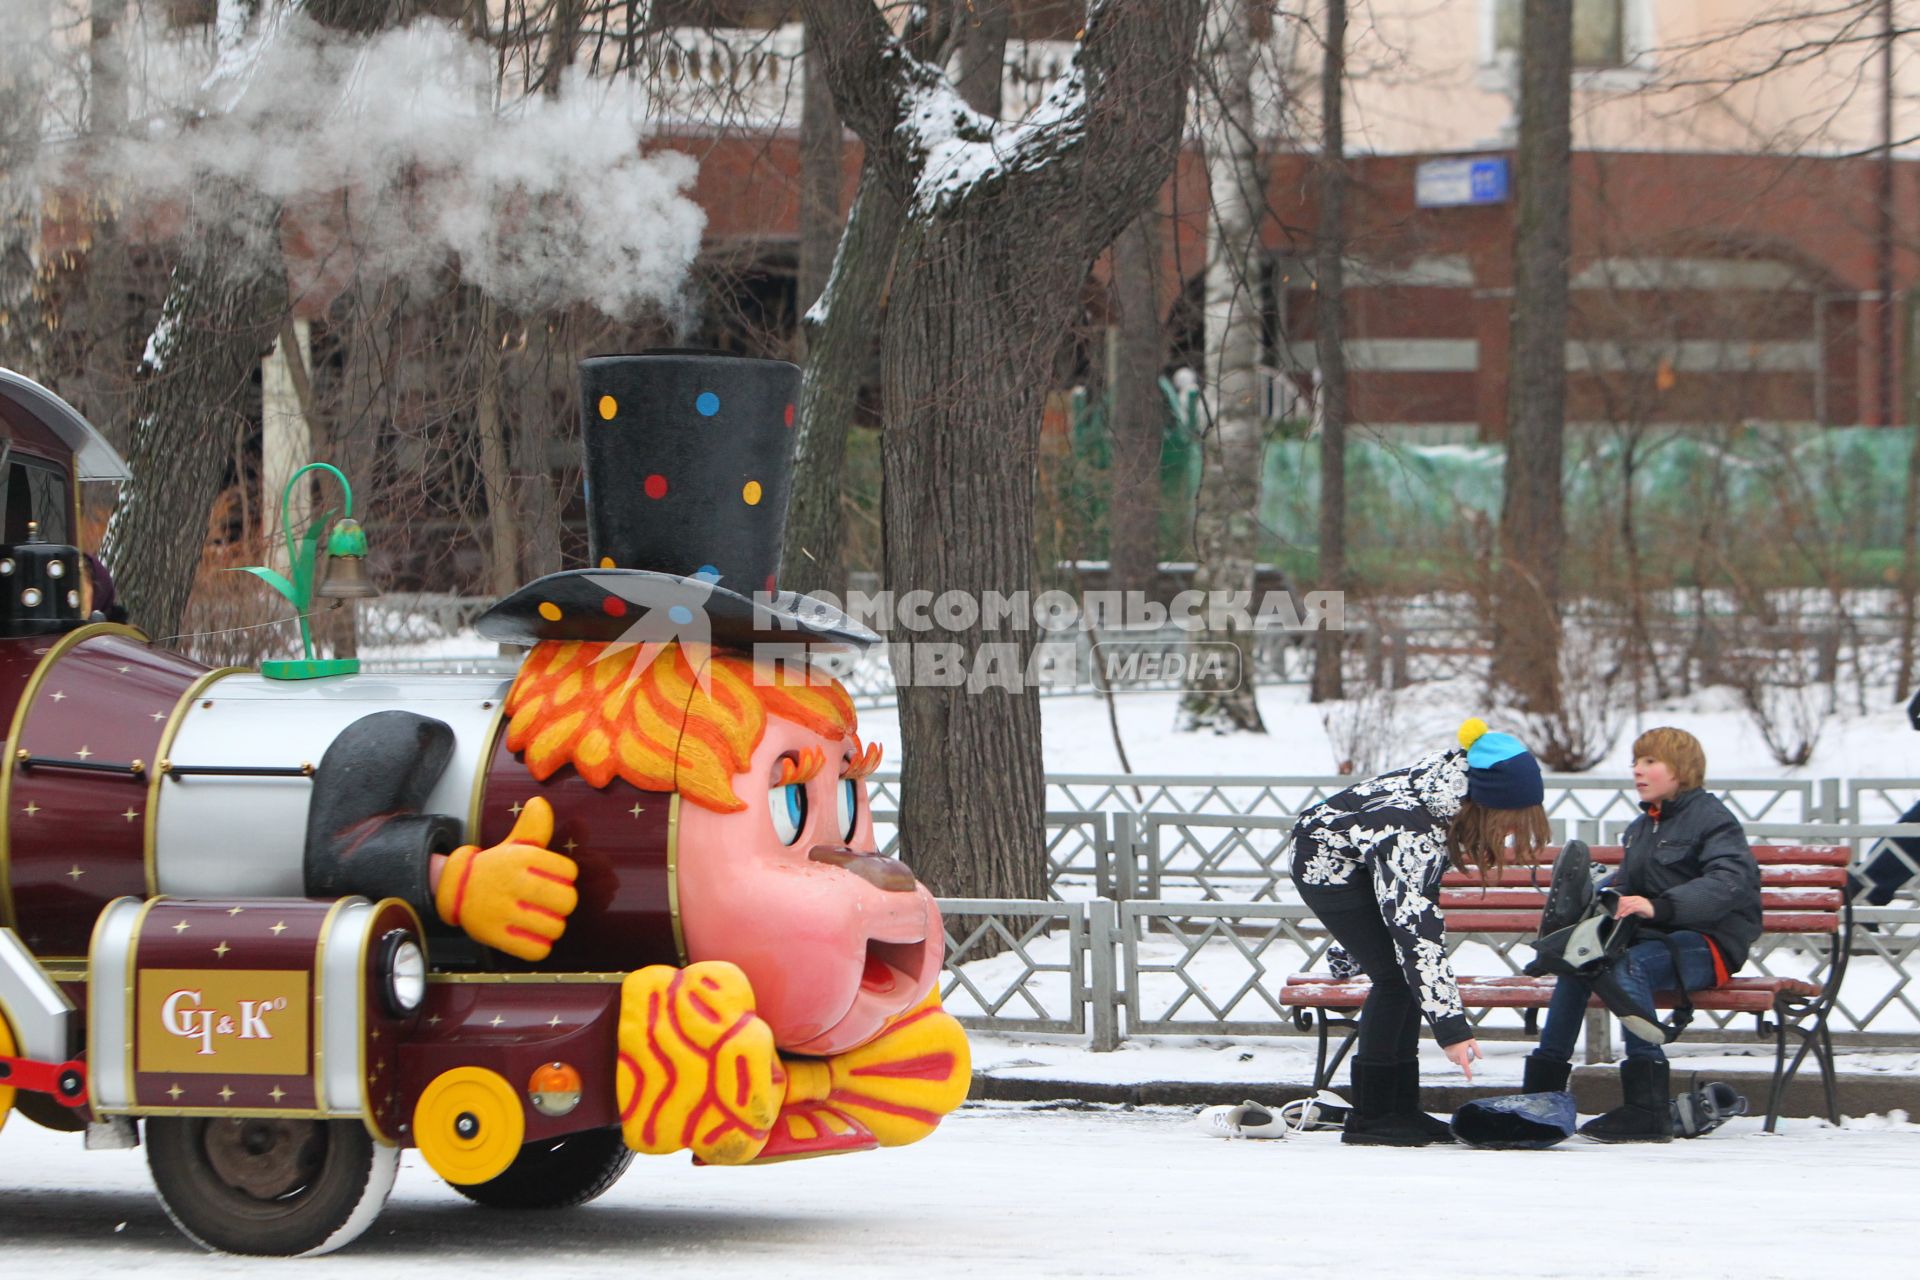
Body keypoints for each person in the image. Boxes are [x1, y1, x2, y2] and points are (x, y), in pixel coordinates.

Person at [1291, 718, 1550, 1146]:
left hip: (1359, 857)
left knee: (1400, 976)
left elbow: (1406, 914)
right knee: (1394, 978)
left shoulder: (1452, 789)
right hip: (1324, 865)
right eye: (1509, 823)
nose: (1508, 836)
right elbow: (1416, 938)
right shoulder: (1412, 830)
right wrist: (1453, 1030)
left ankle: (1402, 1109)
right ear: (1488, 805)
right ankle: (1373, 1117)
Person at [1520, 726, 1762, 1143]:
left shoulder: (1712, 819)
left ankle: (1647, 1106)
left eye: (1650, 761)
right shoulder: (1642, 826)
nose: (1638, 770)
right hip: (1655, 942)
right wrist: (1599, 902)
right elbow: (1628, 886)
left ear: (1681, 769)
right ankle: (1541, 1093)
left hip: (1708, 944)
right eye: (1635, 762)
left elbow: (1729, 882)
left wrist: (1662, 905)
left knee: (1626, 965)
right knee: (1581, 964)